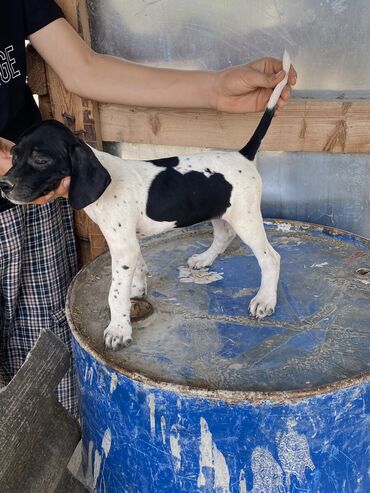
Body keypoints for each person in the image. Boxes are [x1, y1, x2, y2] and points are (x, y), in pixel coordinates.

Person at [0, 0, 297, 416]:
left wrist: (215, 87)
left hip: (34, 221)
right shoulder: (96, 184)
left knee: (45, 370)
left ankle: (268, 271)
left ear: (76, 168)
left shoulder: (99, 183)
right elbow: (129, 253)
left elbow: (83, 67)